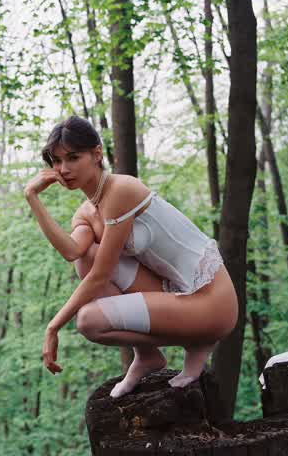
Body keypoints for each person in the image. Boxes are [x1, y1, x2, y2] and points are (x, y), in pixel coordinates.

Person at [24, 115, 238, 398]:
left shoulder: (121, 190)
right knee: (85, 257)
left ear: (97, 153)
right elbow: (72, 252)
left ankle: (200, 339)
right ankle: (147, 355)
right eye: (56, 161)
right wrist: (32, 197)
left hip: (212, 300)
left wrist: (53, 327)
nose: (63, 169)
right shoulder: (87, 211)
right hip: (173, 293)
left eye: (73, 158)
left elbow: (100, 275)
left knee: (88, 321)